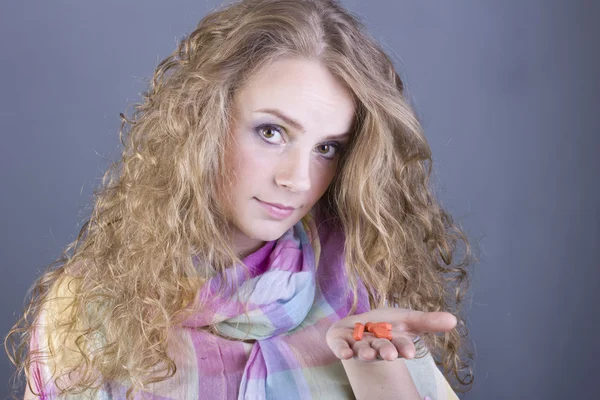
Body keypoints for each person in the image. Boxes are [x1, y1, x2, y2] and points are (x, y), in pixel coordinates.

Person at [5, 0, 474, 398]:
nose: (298, 179)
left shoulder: (364, 285)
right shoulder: (93, 308)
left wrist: (383, 384)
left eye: (326, 148)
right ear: (202, 122)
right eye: (271, 132)